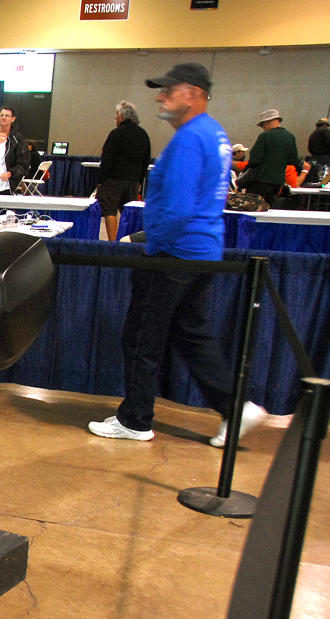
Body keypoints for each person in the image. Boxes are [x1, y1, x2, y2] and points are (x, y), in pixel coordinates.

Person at [88, 62, 266, 446]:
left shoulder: (189, 139)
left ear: (192, 93)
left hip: (174, 255)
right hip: (202, 251)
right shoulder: (214, 134)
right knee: (193, 334)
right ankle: (236, 408)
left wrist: (149, 242)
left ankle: (135, 419)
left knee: (141, 336)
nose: (161, 97)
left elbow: (179, 207)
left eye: (168, 90)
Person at [95, 100, 151, 240]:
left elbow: (107, 158)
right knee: (127, 212)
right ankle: (128, 240)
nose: (115, 117)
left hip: (114, 180)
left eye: (117, 114)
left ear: (122, 115)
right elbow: (146, 160)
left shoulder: (116, 133)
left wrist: (101, 181)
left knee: (109, 211)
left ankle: (113, 243)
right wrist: (139, 181)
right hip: (132, 181)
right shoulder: (143, 134)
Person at [238, 108, 299, 205]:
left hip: (260, 180)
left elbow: (255, 159)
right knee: (269, 207)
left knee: (252, 207)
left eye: (262, 125)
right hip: (278, 182)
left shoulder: (264, 136)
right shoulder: (290, 136)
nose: (263, 128)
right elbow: (293, 160)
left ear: (266, 123)